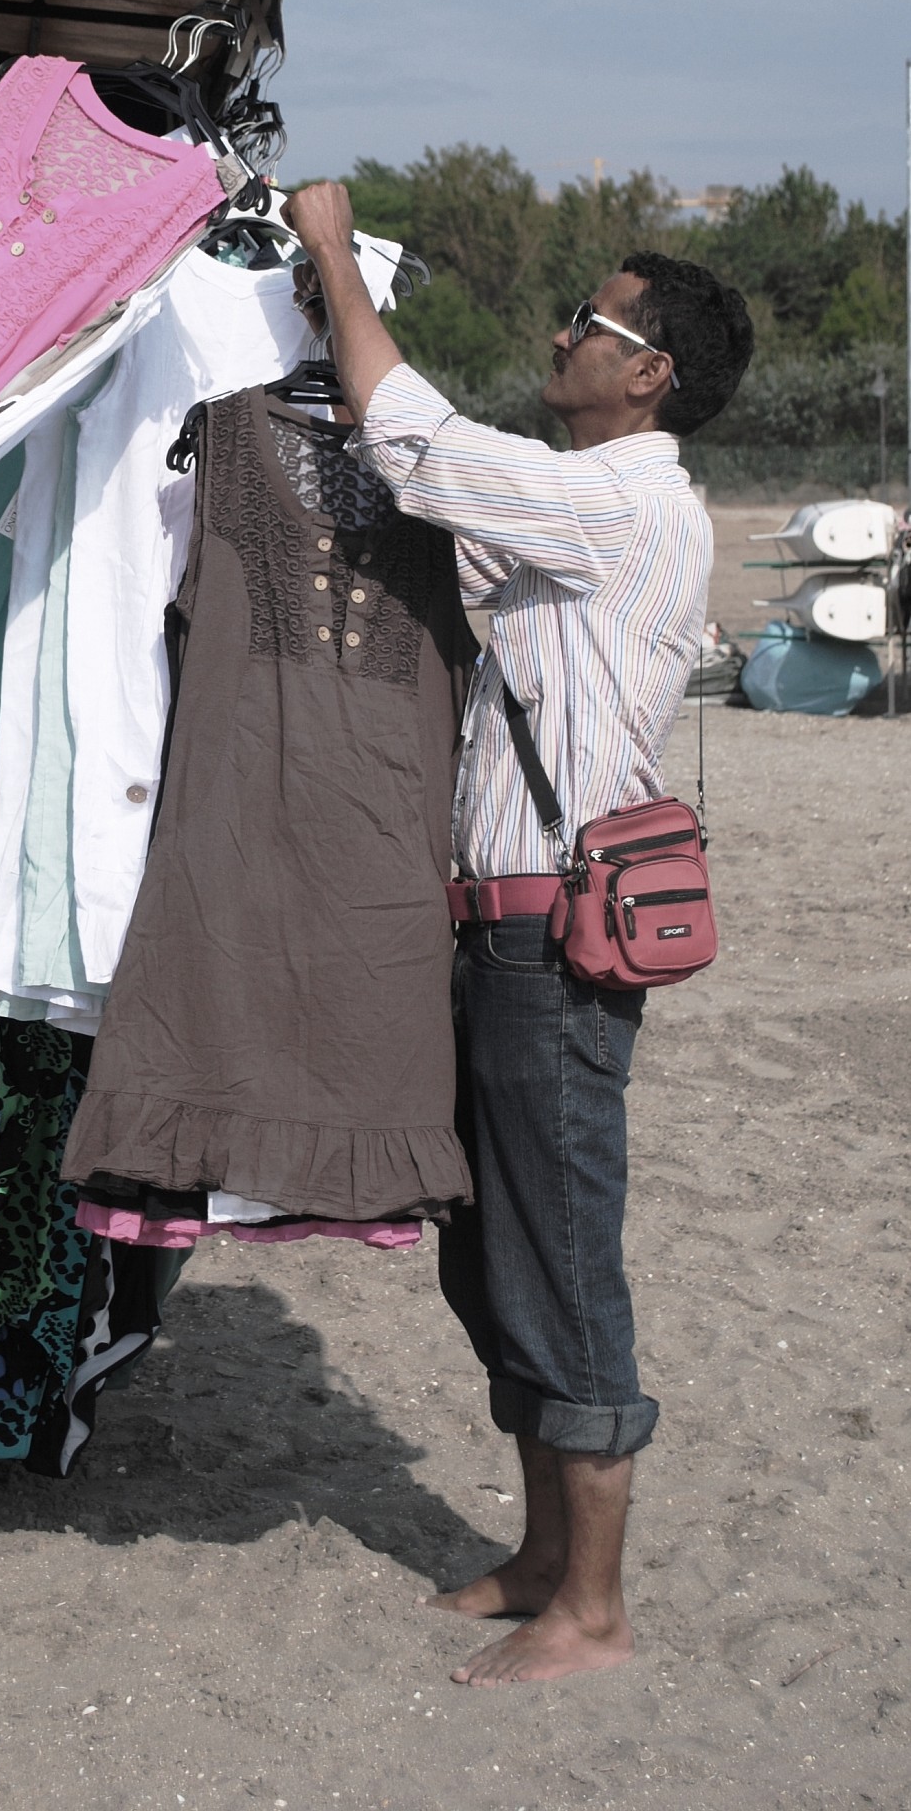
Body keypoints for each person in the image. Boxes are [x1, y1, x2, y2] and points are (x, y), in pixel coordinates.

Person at [285, 180, 754, 1689]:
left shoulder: (626, 499)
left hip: (554, 951)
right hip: (510, 943)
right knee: (492, 1255)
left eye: (592, 324)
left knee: (557, 1254)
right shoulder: (583, 513)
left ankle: (595, 1611)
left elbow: (420, 443)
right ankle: (549, 1559)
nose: (564, 336)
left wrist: (338, 260)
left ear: (650, 374)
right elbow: (448, 511)